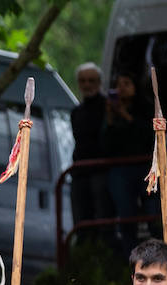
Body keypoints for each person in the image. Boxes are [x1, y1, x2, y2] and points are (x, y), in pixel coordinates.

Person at [103, 72, 155, 256]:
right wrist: (110, 117)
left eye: (126, 83)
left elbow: (147, 136)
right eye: (118, 84)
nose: (121, 88)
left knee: (153, 214)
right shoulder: (110, 112)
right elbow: (106, 145)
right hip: (121, 170)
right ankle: (130, 259)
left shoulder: (145, 108)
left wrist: (124, 114)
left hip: (144, 167)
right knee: (126, 215)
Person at [70, 64, 111, 234]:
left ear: (99, 82)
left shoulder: (108, 108)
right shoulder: (76, 112)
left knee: (102, 221)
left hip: (101, 171)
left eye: (91, 81)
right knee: (81, 223)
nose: (87, 85)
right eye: (83, 81)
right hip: (80, 172)